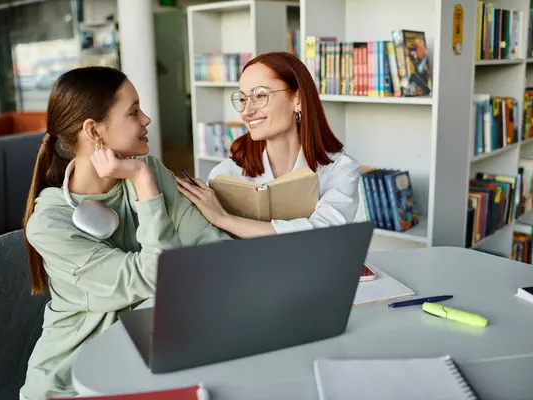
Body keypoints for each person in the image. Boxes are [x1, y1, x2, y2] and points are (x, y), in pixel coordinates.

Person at [19, 66, 230, 400]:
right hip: (76, 381)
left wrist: (145, 180)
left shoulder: (151, 171)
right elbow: (156, 277)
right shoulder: (49, 225)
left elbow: (214, 248)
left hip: (153, 359)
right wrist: (143, 183)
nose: (147, 119)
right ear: (94, 131)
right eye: (134, 112)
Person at [175, 51, 360, 238]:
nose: (247, 111)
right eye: (242, 99)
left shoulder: (340, 169)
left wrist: (225, 219)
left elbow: (325, 232)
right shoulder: (224, 175)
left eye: (260, 96)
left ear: (298, 100)